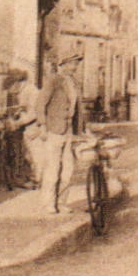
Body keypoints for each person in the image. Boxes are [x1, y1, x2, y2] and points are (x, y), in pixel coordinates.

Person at [36, 52, 83, 214]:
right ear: (62, 65)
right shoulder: (54, 80)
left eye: (76, 64)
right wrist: (42, 125)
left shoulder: (74, 83)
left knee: (68, 169)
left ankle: (61, 202)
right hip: (54, 130)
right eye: (72, 64)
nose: (75, 67)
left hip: (69, 130)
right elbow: (41, 103)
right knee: (52, 168)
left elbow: (78, 108)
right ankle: (48, 203)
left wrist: (82, 128)